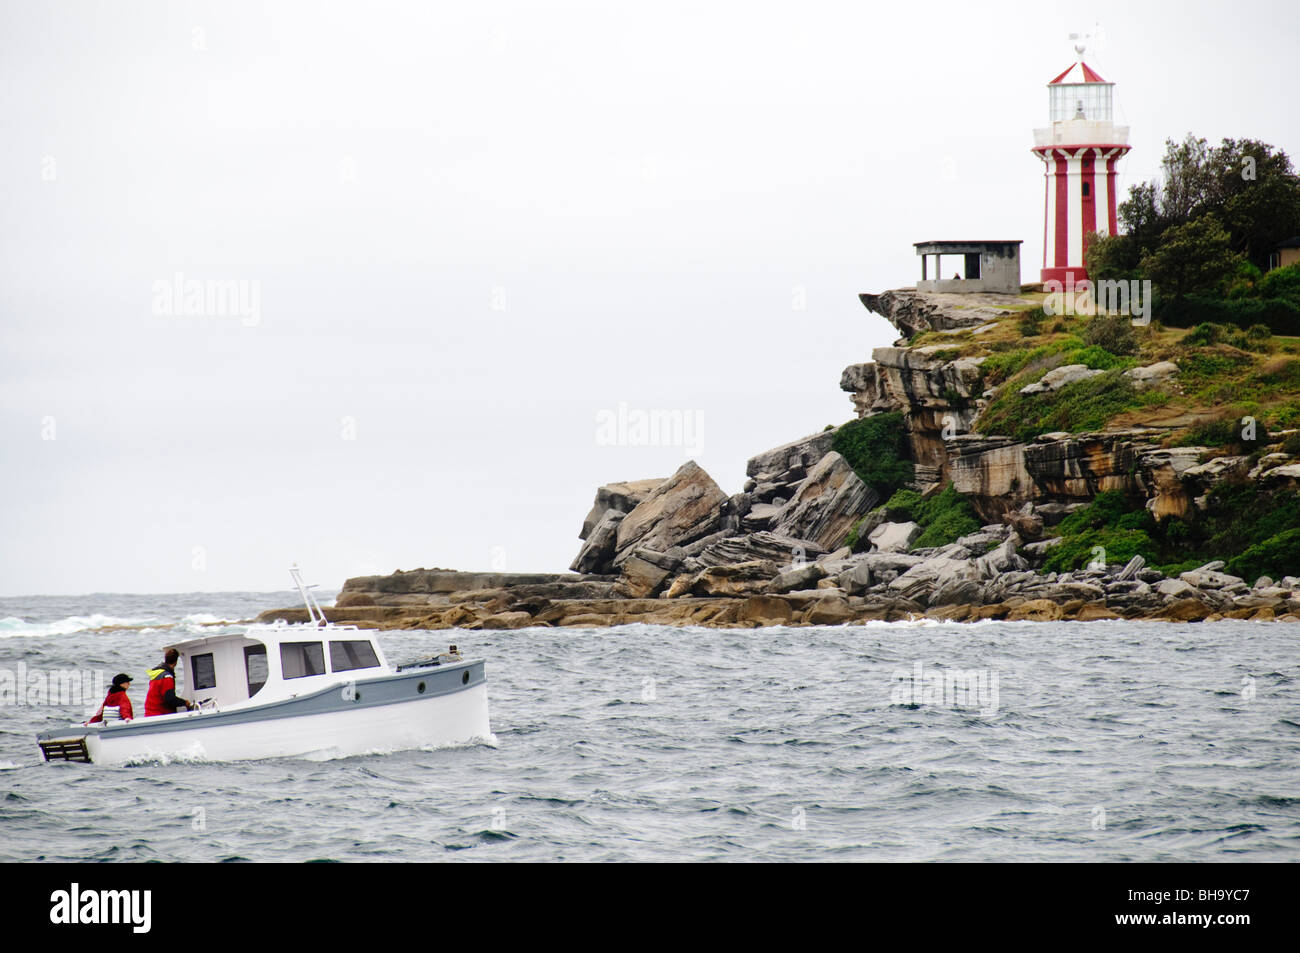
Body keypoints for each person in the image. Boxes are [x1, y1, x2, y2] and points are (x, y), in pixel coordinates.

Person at [144, 648, 193, 716]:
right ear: (175, 662)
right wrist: (184, 703)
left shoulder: (157, 674)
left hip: (149, 713)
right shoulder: (167, 677)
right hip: (159, 714)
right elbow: (170, 699)